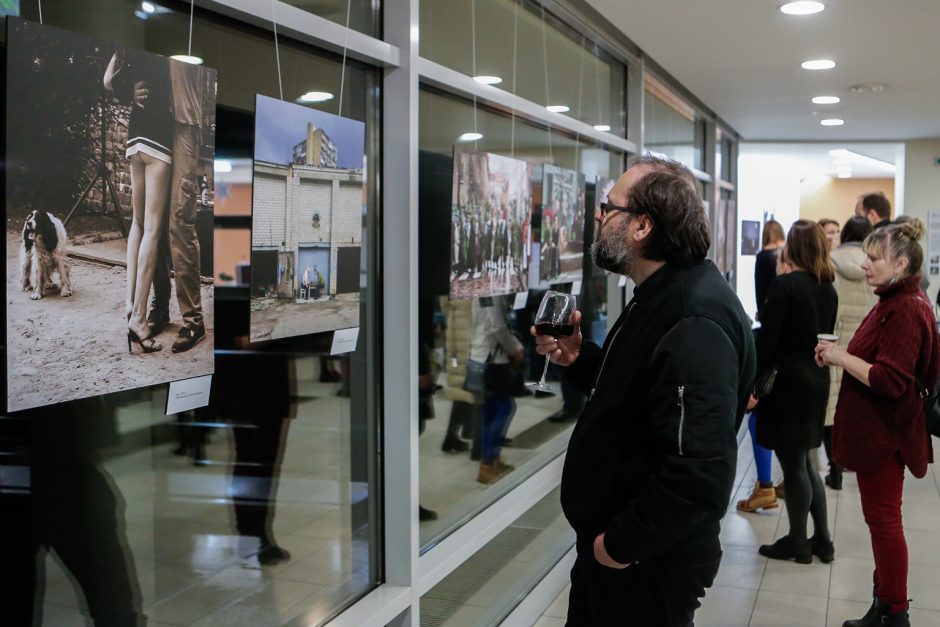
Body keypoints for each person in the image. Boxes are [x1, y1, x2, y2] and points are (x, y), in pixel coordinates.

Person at [534, 155, 755, 626]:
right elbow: (638, 395)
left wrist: (619, 545)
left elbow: (700, 473)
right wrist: (579, 358)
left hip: (645, 563)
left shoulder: (693, 319)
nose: (599, 215)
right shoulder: (662, 295)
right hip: (625, 554)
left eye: (608, 206)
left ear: (642, 227)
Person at [816, 219, 940, 627]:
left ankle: (895, 612)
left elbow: (889, 380)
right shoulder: (894, 300)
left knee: (885, 521)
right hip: (882, 433)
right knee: (881, 520)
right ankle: (884, 605)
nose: (866, 265)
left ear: (900, 263)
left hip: (887, 436)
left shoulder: (905, 309)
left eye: (874, 258)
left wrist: (839, 358)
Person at [751, 220, 837, 564]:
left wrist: (752, 383)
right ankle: (823, 541)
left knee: (794, 464)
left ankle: (798, 541)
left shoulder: (785, 286)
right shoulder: (826, 287)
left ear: (793, 248)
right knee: (805, 462)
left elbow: (768, 341)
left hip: (788, 384)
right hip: (816, 379)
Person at [104, 49, 173, 353]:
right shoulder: (164, 50)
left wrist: (126, 90)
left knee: (138, 224)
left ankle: (130, 302)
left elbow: (107, 81)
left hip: (135, 138)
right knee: (154, 230)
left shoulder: (128, 50)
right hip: (158, 138)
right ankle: (140, 318)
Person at [147, 59, 213, 352]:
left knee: (179, 221)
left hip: (184, 125)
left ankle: (193, 321)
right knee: (155, 223)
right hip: (153, 123)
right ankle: (160, 309)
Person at [821, 216, 876, 490]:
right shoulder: (874, 265)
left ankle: (835, 468)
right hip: (866, 344)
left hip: (836, 340)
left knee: (831, 406)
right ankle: (856, 459)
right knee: (858, 402)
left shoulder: (830, 262)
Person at [737, 219, 786, 512]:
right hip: (802, 370)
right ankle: (779, 482)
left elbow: (761, 301)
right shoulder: (820, 286)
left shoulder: (765, 263)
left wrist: (754, 384)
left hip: (775, 362)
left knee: (760, 419)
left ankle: (765, 486)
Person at [472, 296, 523, 484]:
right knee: (505, 407)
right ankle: (488, 461)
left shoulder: (483, 292)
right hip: (493, 359)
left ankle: (491, 460)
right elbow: (498, 327)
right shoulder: (491, 293)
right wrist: (514, 349)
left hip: (483, 356)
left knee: (492, 409)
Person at [755, 219, 786, 319]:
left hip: (768, 305)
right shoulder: (788, 253)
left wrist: (760, 311)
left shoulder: (762, 256)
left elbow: (759, 286)